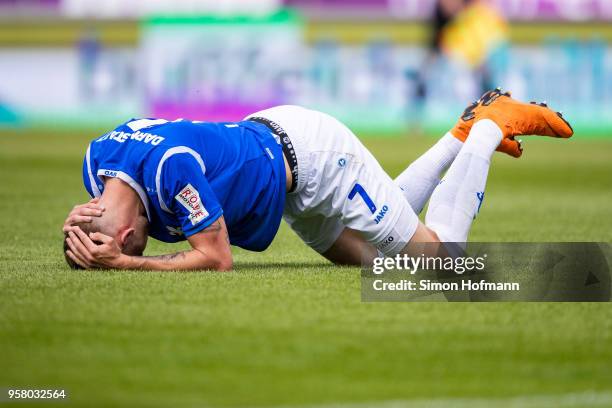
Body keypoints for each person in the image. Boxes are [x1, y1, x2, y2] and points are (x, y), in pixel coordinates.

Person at [63, 89, 573, 270]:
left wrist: (126, 267)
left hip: (315, 157)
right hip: (282, 172)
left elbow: (216, 260)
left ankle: (489, 125)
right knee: (386, 267)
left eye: (131, 248)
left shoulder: (170, 170)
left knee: (438, 263)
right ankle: (459, 135)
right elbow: (112, 204)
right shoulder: (98, 160)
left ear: (127, 238)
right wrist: (86, 234)